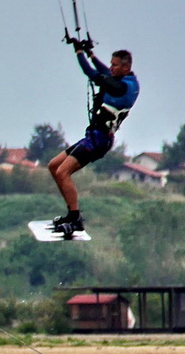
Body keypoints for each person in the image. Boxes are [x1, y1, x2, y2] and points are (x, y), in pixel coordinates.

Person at [48, 42, 139, 238]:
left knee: (63, 172)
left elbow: (90, 73)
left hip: (99, 140)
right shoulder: (126, 80)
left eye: (115, 65)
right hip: (92, 136)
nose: (111, 67)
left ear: (126, 67)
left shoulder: (120, 87)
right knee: (53, 166)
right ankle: (71, 215)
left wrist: (79, 53)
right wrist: (91, 54)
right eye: (111, 64)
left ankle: (75, 219)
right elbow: (104, 71)